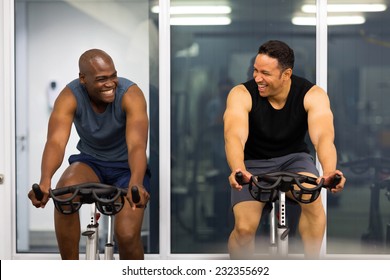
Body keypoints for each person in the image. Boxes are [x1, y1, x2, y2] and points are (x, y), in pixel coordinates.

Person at [223, 40, 346, 259]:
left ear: (286, 74)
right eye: (255, 71)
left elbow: (324, 138)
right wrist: (238, 169)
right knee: (243, 230)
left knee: (313, 204)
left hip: (294, 161)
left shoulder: (312, 94)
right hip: (253, 164)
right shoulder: (241, 93)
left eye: (266, 73)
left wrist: (329, 172)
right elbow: (234, 136)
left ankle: (312, 268)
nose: (257, 78)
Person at [27, 49, 151, 260]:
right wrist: (45, 181)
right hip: (91, 162)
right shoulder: (69, 96)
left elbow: (137, 146)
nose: (111, 83)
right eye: (102, 79)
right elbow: (56, 142)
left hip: (127, 167)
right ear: (83, 79)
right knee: (63, 195)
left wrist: (136, 182)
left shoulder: (131, 94)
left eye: (113, 76)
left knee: (127, 235)